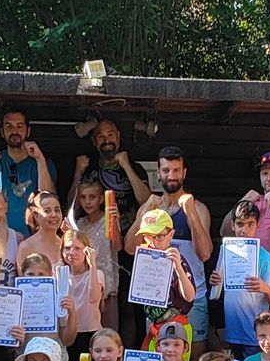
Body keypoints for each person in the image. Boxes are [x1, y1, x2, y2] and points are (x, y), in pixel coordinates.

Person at [127, 147, 212, 344]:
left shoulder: (198, 208)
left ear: (184, 172)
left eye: (176, 170)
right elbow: (130, 248)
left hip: (191, 297)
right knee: (159, 354)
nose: (171, 176)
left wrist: (190, 213)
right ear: (158, 173)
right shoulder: (151, 208)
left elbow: (205, 254)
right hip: (156, 298)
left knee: (193, 355)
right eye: (166, 170)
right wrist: (145, 211)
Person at [0, 110, 54, 234]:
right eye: (9, 126)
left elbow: (48, 198)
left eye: (19, 126)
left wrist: (40, 159)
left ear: (28, 131)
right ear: (2, 132)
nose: (14, 131)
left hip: (33, 238)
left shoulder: (41, 162)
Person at [212, 200, 270, 353]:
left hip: (256, 336)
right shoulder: (226, 252)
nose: (245, 230)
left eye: (250, 224)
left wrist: (266, 289)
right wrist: (216, 282)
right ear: (232, 225)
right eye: (240, 224)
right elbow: (218, 293)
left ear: (258, 225)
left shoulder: (265, 257)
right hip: (232, 334)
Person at [127, 206, 198, 349]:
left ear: (171, 234)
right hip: (154, 326)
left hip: (176, 328)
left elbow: (190, 296)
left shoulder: (178, 261)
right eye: (148, 237)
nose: (153, 242)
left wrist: (178, 268)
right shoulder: (145, 260)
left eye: (159, 236)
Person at [67, 175, 121, 332]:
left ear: (101, 199)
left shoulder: (108, 219)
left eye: (92, 197)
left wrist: (114, 222)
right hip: (86, 286)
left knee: (108, 331)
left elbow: (118, 246)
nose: (87, 201)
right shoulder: (80, 224)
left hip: (107, 283)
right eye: (83, 197)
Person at [70, 116, 150, 211]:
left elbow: (147, 203)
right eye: (100, 137)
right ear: (94, 141)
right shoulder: (87, 168)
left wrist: (127, 167)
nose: (106, 141)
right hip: (97, 220)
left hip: (130, 221)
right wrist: (78, 174)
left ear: (118, 136)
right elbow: (72, 207)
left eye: (110, 135)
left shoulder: (135, 168)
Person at [58, 224, 107, 361]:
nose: (72, 253)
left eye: (77, 248)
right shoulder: (59, 274)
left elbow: (93, 298)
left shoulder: (97, 274)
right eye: (67, 248)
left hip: (90, 333)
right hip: (68, 332)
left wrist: (92, 264)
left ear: (86, 251)